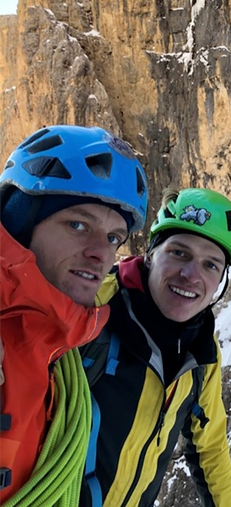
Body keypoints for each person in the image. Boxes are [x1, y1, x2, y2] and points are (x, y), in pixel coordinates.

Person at [0, 125, 148, 505]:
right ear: (20, 223)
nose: (101, 253)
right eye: (78, 225)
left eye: (114, 237)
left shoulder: (55, 350)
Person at [79, 187, 231, 507]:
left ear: (221, 280)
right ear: (150, 253)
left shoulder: (201, 353)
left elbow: (209, 449)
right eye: (179, 253)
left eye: (210, 265)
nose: (190, 275)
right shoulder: (94, 306)